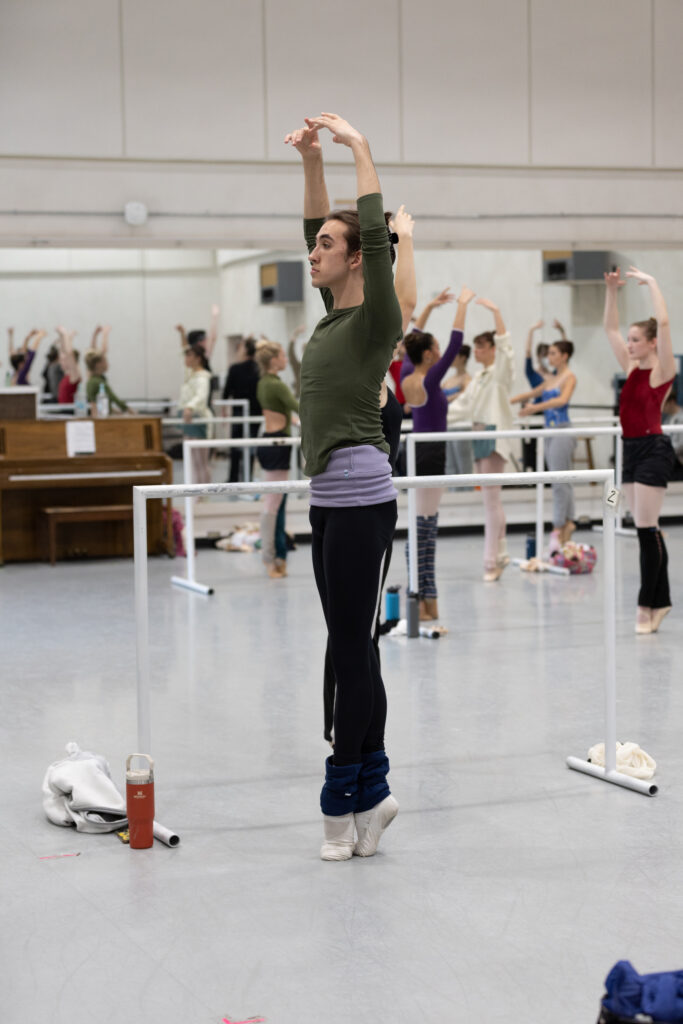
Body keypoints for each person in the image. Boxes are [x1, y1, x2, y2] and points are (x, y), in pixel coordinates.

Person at [285, 111, 403, 861]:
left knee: (351, 651)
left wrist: (357, 147)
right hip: (327, 504)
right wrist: (310, 161)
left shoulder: (372, 320)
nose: (314, 253)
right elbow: (312, 225)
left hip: (362, 498)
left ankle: (341, 797)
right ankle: (377, 792)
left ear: (359, 259)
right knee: (350, 646)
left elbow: (369, 233)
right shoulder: (331, 321)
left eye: (329, 246)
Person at [603, 266, 676, 635]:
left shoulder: (662, 371)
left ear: (649, 343)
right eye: (629, 339)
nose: (629, 344)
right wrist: (613, 292)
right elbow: (609, 329)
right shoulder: (631, 366)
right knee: (645, 529)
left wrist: (653, 284)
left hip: (653, 450)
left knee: (647, 530)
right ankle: (661, 601)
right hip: (628, 451)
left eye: (636, 339)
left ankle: (647, 604)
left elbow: (663, 324)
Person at [401, 286, 474, 620]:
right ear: (429, 355)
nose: (441, 351)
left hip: (417, 452)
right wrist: (461, 305)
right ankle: (421, 596)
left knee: (424, 524)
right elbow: (457, 343)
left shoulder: (405, 373)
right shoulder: (429, 380)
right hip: (430, 455)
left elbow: (412, 339)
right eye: (436, 348)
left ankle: (426, 597)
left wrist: (429, 307)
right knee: (424, 527)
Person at [447, 298, 516, 581]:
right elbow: (461, 406)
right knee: (492, 500)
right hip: (478, 433)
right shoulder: (478, 378)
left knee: (491, 501)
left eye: (480, 346)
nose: (475, 351)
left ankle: (492, 560)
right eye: (474, 346)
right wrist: (429, 416)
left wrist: (497, 311)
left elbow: (507, 349)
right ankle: (499, 554)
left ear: (491, 350)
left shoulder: (499, 373)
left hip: (492, 435)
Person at [512, 339, 578, 550]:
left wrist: (534, 408)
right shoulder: (551, 379)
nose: (549, 357)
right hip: (550, 431)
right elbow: (530, 394)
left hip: (562, 430)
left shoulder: (569, 377)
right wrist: (506, 401)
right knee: (559, 479)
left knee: (560, 481)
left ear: (564, 355)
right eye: (549, 353)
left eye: (553, 353)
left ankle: (560, 525)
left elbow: (562, 401)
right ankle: (568, 522)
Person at [255, 340, 299, 578]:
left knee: (278, 503)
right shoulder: (276, 385)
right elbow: (295, 407)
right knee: (272, 505)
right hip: (276, 445)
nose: (285, 360)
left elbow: (283, 412)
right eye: (282, 356)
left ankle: (279, 557)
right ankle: (269, 559)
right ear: (273, 361)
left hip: (272, 441)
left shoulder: (264, 383)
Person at [223, 336, 262, 484]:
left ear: (245, 350)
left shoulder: (235, 369)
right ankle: (248, 477)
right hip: (255, 412)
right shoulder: (258, 369)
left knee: (236, 446)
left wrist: (224, 411)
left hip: (239, 413)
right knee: (250, 445)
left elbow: (226, 393)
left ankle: (233, 478)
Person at [85, 326, 129, 415]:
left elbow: (94, 352)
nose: (107, 363)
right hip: (98, 416)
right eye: (105, 360)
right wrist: (105, 334)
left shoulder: (94, 377)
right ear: (98, 364)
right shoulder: (97, 381)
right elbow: (113, 397)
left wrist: (95, 336)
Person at [55, 327, 81, 405]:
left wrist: (65, 334)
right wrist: (63, 337)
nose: (60, 362)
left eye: (63, 360)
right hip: (63, 412)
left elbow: (69, 353)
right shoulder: (67, 374)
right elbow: (63, 351)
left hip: (70, 413)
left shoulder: (74, 374)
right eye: (60, 360)